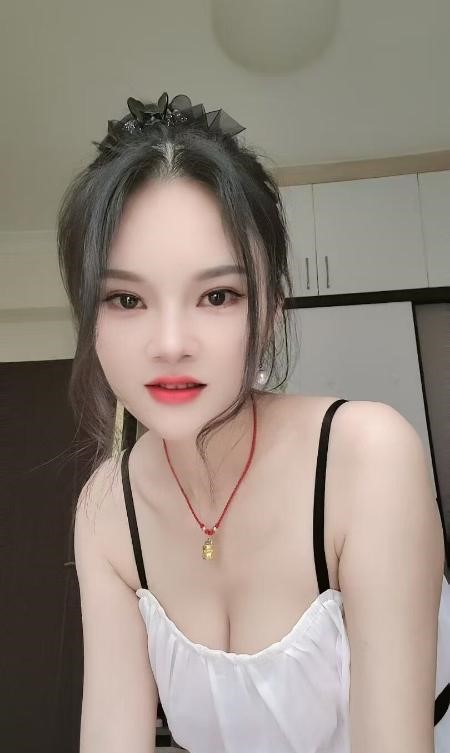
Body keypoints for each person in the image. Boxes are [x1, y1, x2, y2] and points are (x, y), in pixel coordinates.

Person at [57, 92, 450, 753]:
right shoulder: (106, 512)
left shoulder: (366, 458)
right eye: (126, 298)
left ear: (270, 311)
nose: (171, 343)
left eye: (218, 295)